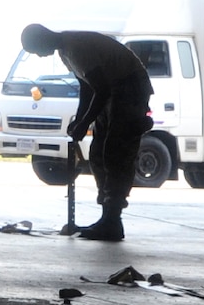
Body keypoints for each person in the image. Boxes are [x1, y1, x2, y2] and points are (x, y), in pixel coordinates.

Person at [20, 23, 153, 241]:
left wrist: (84, 123)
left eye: (35, 50)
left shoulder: (75, 48)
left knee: (116, 153)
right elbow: (87, 86)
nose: (39, 55)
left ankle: (113, 220)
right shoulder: (65, 51)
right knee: (98, 154)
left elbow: (101, 90)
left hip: (128, 88)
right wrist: (80, 119)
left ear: (42, 39)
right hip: (113, 89)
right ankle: (107, 218)